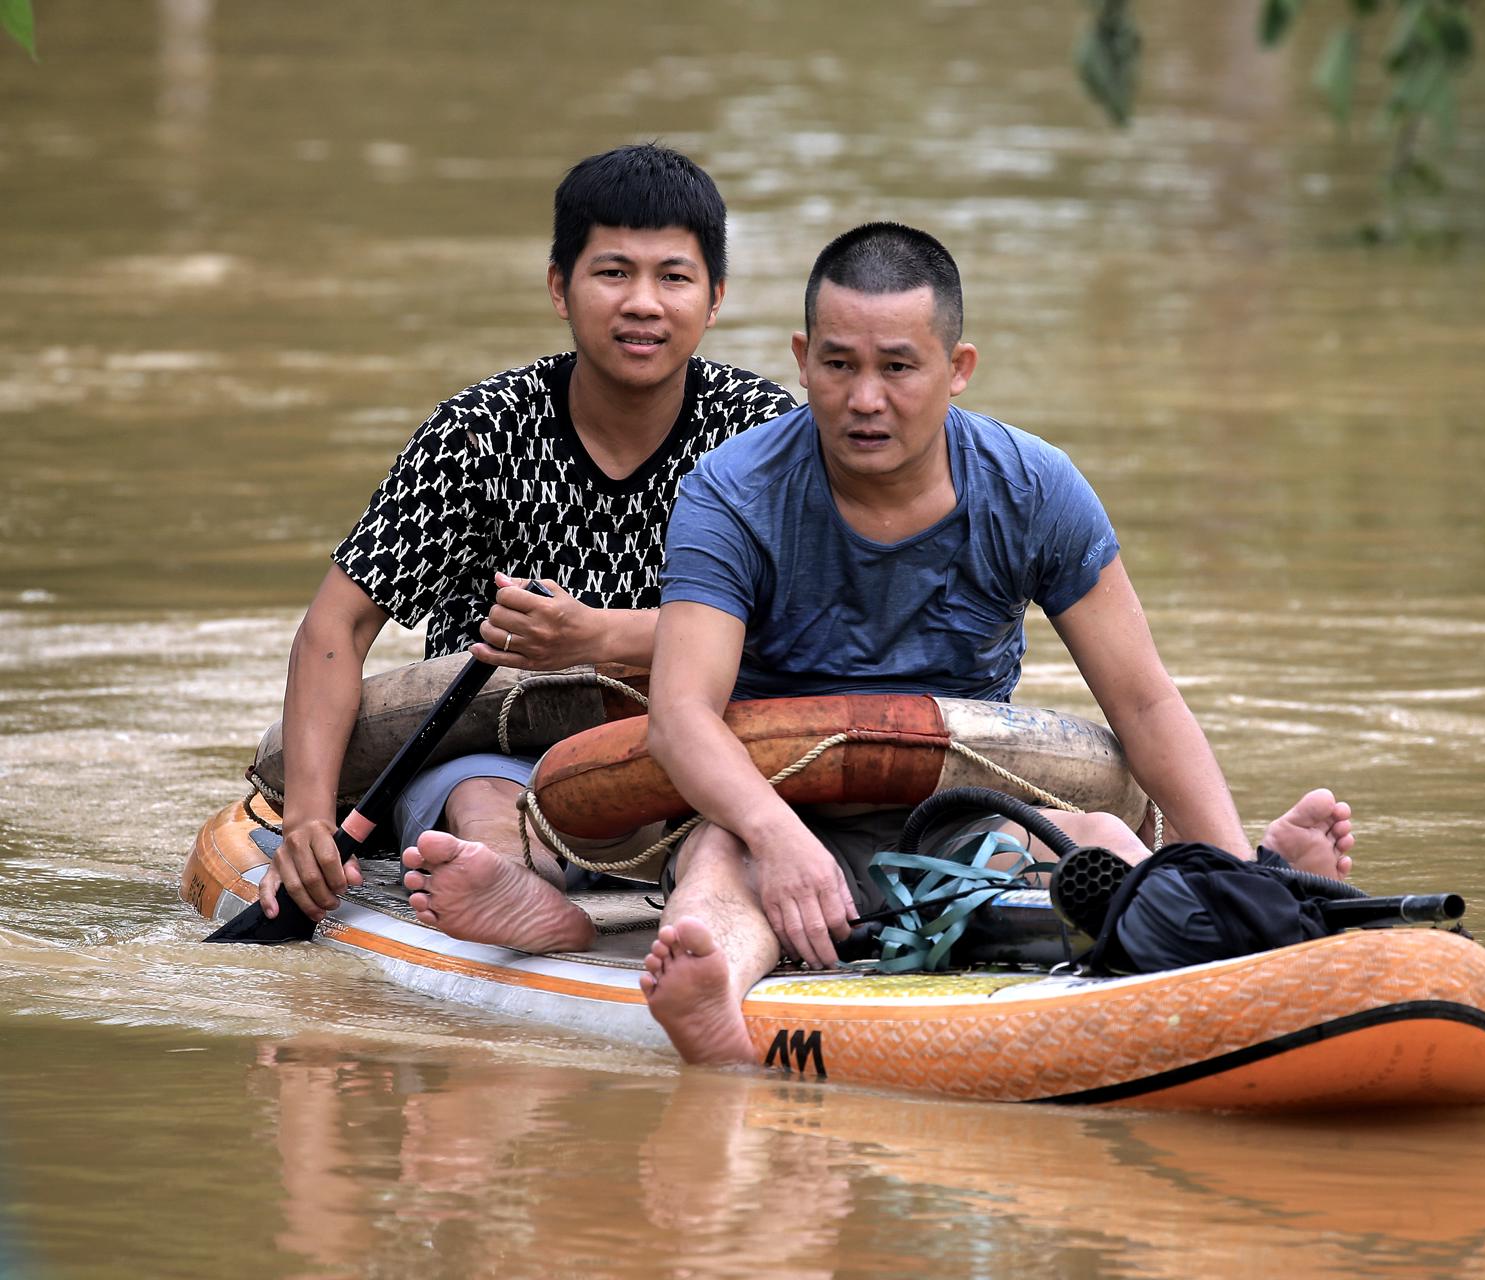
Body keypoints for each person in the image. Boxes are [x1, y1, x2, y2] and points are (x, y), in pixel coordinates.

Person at [634, 222, 1356, 1064]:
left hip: (961, 813)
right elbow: (680, 715)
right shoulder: (732, 492)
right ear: (802, 359)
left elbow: (1144, 701)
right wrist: (778, 837)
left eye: (898, 367)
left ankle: (1254, 891)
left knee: (1102, 843)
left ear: (957, 369)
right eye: (838, 365)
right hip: (781, 809)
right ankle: (713, 993)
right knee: (718, 861)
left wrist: (1231, 873)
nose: (865, 398)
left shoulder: (1034, 488)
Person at [258, 144, 796, 954]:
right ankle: (509, 887)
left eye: (675, 278)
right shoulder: (479, 432)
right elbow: (336, 627)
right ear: (559, 288)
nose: (644, 303)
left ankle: (705, 910)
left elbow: (808, 623)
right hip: (497, 750)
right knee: (481, 805)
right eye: (613, 272)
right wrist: (306, 821)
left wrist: (599, 638)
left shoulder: (762, 434)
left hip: (696, 747)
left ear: (715, 299)